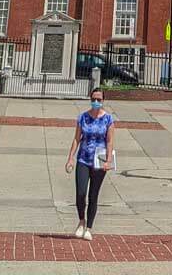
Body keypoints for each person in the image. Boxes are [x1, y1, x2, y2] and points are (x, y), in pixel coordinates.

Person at [64, 88, 114, 240]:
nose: (96, 102)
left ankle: (89, 228)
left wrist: (108, 161)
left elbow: (109, 141)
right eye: (93, 99)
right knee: (81, 192)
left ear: (103, 101)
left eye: (99, 99)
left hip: (99, 161)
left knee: (93, 195)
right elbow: (76, 138)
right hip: (83, 159)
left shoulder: (108, 119)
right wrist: (71, 157)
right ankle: (81, 221)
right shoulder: (83, 117)